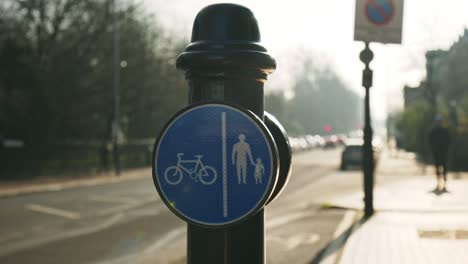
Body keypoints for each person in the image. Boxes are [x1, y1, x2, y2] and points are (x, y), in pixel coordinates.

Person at [429, 115, 451, 191]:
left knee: (444, 168)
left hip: (443, 153)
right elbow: (431, 142)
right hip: (437, 153)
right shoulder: (433, 131)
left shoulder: (444, 131)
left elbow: (448, 142)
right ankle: (438, 183)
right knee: (438, 168)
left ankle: (444, 184)